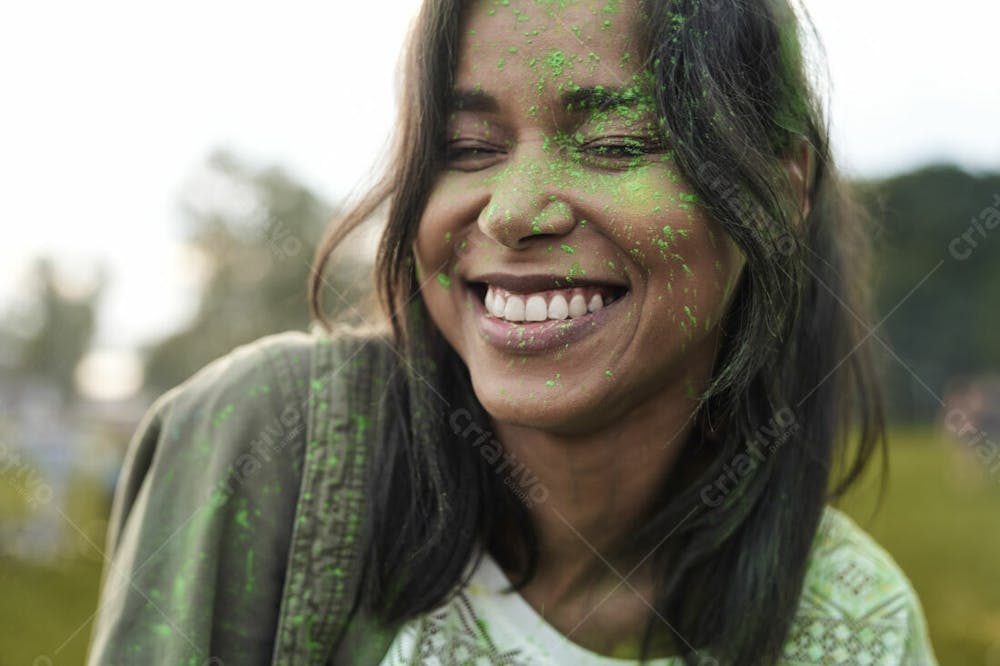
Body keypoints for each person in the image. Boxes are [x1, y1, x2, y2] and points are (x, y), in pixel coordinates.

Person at [88, 0, 938, 664]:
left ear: (781, 193)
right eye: (466, 147)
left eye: (612, 141)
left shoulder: (854, 626)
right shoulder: (266, 446)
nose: (513, 211)